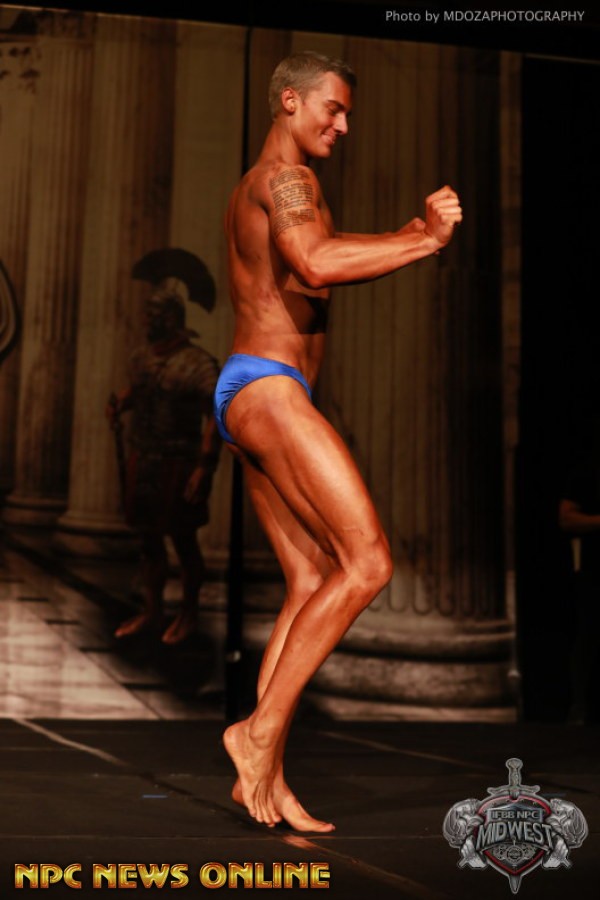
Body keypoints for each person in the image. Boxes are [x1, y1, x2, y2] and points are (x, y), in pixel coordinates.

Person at [217, 50, 462, 831]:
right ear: (290, 101)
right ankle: (255, 736)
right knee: (368, 562)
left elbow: (315, 251)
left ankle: (265, 770)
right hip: (270, 388)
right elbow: (316, 264)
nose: (344, 125)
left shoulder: (271, 184)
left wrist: (398, 232)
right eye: (335, 108)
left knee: (309, 580)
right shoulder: (286, 179)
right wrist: (425, 241)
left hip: (251, 389)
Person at [108, 288, 221, 644]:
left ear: (171, 318)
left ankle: (188, 614)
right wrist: (120, 404)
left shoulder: (198, 363)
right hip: (144, 458)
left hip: (179, 462)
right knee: (148, 540)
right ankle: (152, 610)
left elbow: (215, 415)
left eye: (153, 314)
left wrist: (205, 466)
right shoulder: (142, 358)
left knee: (184, 540)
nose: (147, 321)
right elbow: (140, 391)